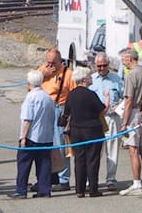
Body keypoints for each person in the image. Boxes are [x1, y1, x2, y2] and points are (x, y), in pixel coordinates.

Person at [8, 70, 56, 199]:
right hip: (46, 136)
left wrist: (23, 137)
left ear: (29, 83)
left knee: (24, 163)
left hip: (32, 136)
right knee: (44, 163)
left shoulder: (30, 97)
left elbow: (27, 119)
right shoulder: (47, 97)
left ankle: (21, 190)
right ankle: (44, 189)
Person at [61, 66, 106, 198]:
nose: (92, 78)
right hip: (92, 130)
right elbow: (101, 109)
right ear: (85, 79)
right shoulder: (91, 94)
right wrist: (107, 100)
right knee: (92, 159)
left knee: (79, 159)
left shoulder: (71, 94)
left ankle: (79, 189)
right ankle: (93, 188)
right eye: (90, 76)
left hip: (76, 130)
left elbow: (66, 112)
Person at [118, 47, 142, 196]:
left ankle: (137, 182)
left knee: (133, 150)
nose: (122, 62)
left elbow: (128, 100)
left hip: (133, 113)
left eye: (124, 59)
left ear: (130, 59)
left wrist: (124, 123)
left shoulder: (131, 75)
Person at [39, 48, 76, 191]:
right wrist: (43, 75)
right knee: (44, 144)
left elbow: (74, 94)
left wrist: (69, 116)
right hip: (45, 109)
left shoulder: (68, 74)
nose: (50, 66)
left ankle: (63, 179)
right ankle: (47, 178)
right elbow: (30, 85)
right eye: (48, 62)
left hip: (60, 109)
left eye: (53, 63)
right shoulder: (42, 70)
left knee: (60, 145)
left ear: (60, 61)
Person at [89, 52, 124, 191]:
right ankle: (92, 180)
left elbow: (124, 97)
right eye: (99, 66)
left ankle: (111, 179)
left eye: (104, 65)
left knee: (112, 149)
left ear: (108, 64)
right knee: (94, 151)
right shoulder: (91, 79)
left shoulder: (117, 79)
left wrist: (119, 105)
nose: (102, 68)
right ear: (95, 65)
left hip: (111, 118)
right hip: (95, 119)